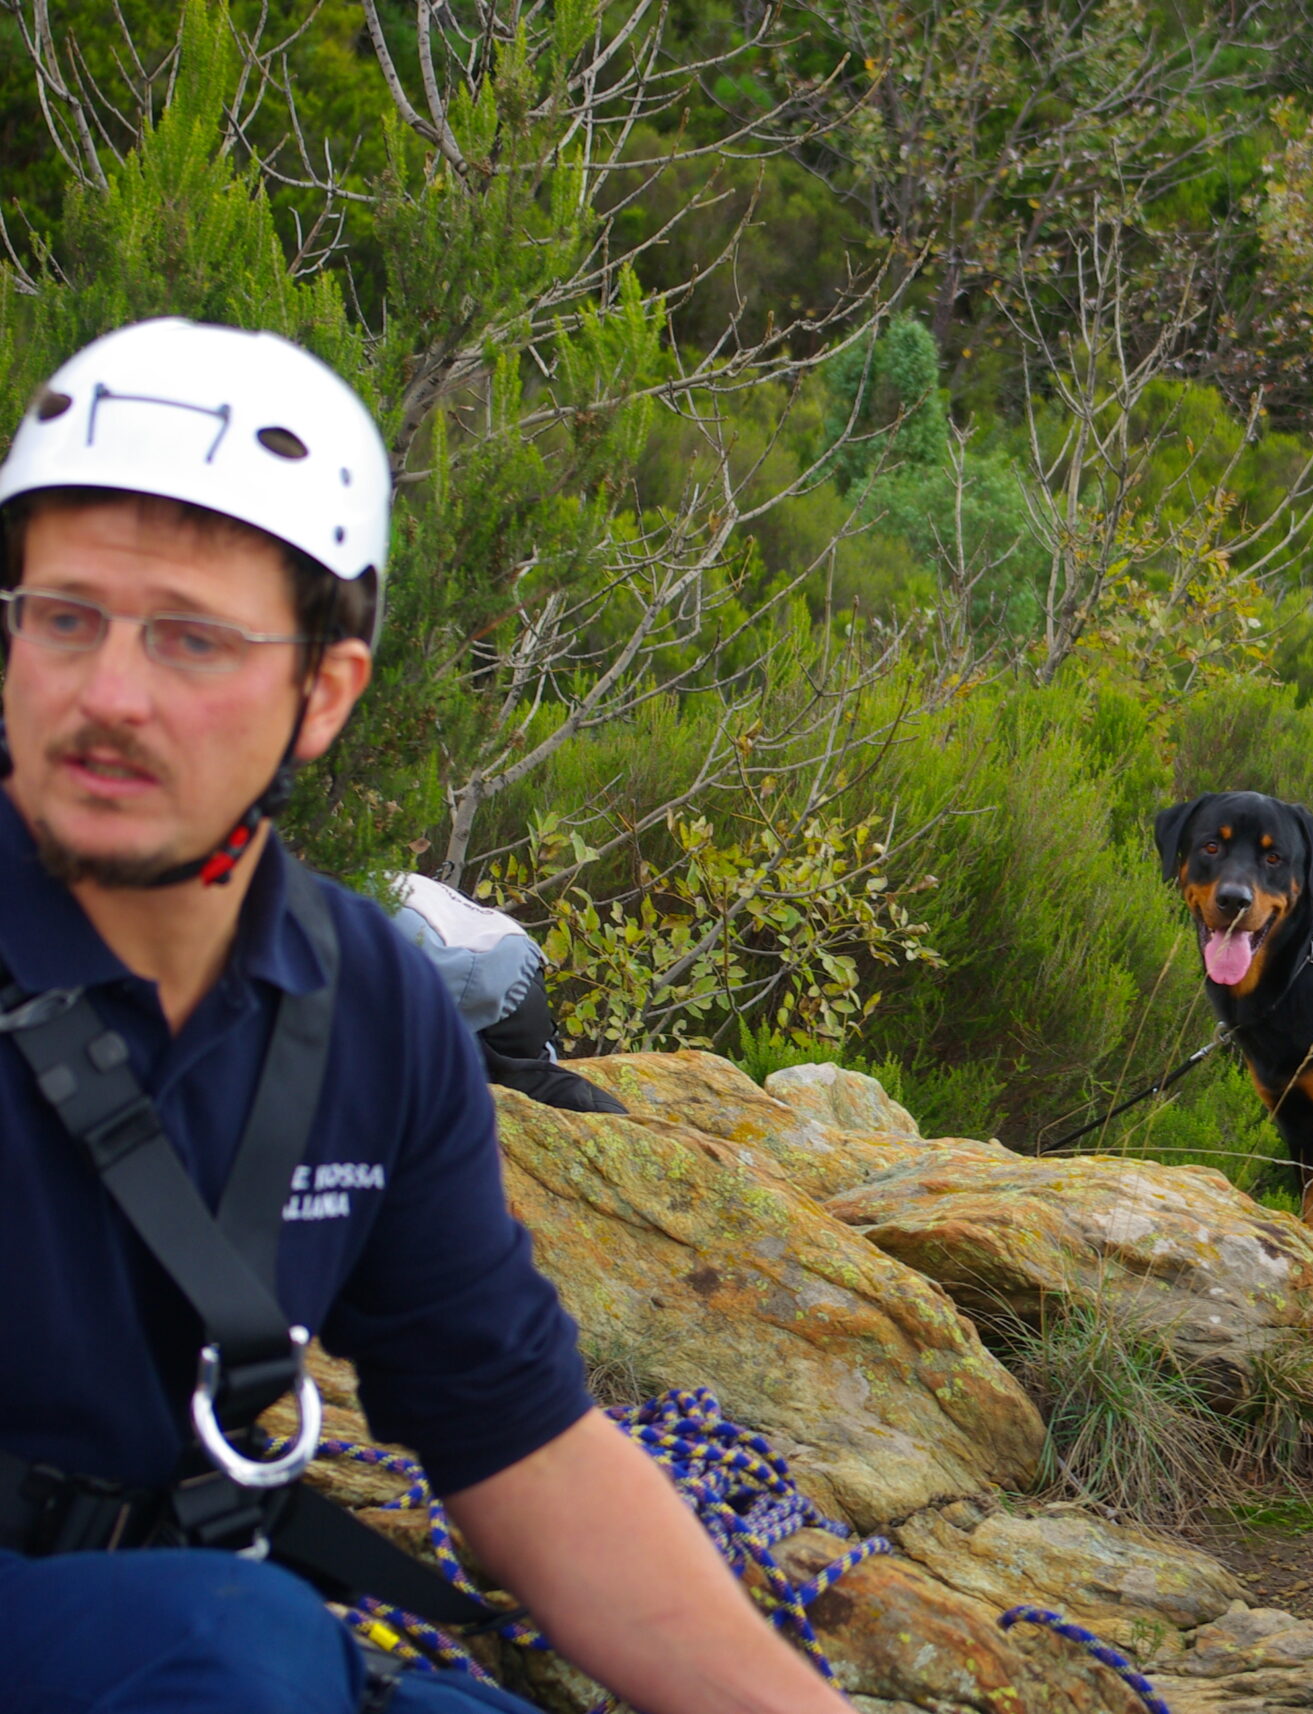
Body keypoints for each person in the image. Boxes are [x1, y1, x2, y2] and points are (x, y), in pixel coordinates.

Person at [0, 319, 847, 1714]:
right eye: (64, 616)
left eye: (193, 639)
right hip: (182, 1645)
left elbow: (523, 1444)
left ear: (321, 693)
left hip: (165, 1617)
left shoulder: (362, 1006)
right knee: (236, 1648)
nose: (107, 693)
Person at [385, 871, 627, 1115]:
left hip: (485, 986)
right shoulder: (379, 878)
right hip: (520, 962)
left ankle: (614, 1124)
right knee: (529, 1074)